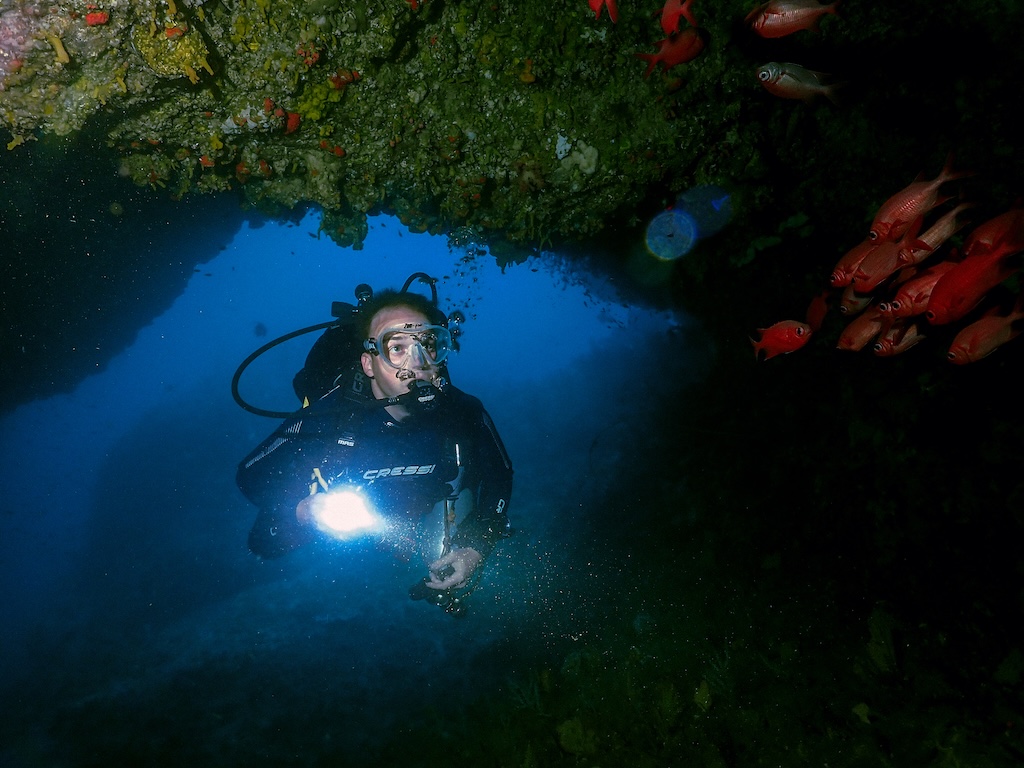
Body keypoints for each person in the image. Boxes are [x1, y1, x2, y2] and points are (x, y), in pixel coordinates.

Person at [236, 288, 513, 611]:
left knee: (452, 558)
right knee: (265, 543)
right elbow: (249, 475)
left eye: (428, 344)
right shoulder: (328, 417)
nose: (419, 363)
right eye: (397, 348)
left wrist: (476, 548)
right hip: (343, 496)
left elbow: (500, 475)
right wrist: (304, 510)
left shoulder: (464, 411)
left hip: (418, 499)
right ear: (369, 364)